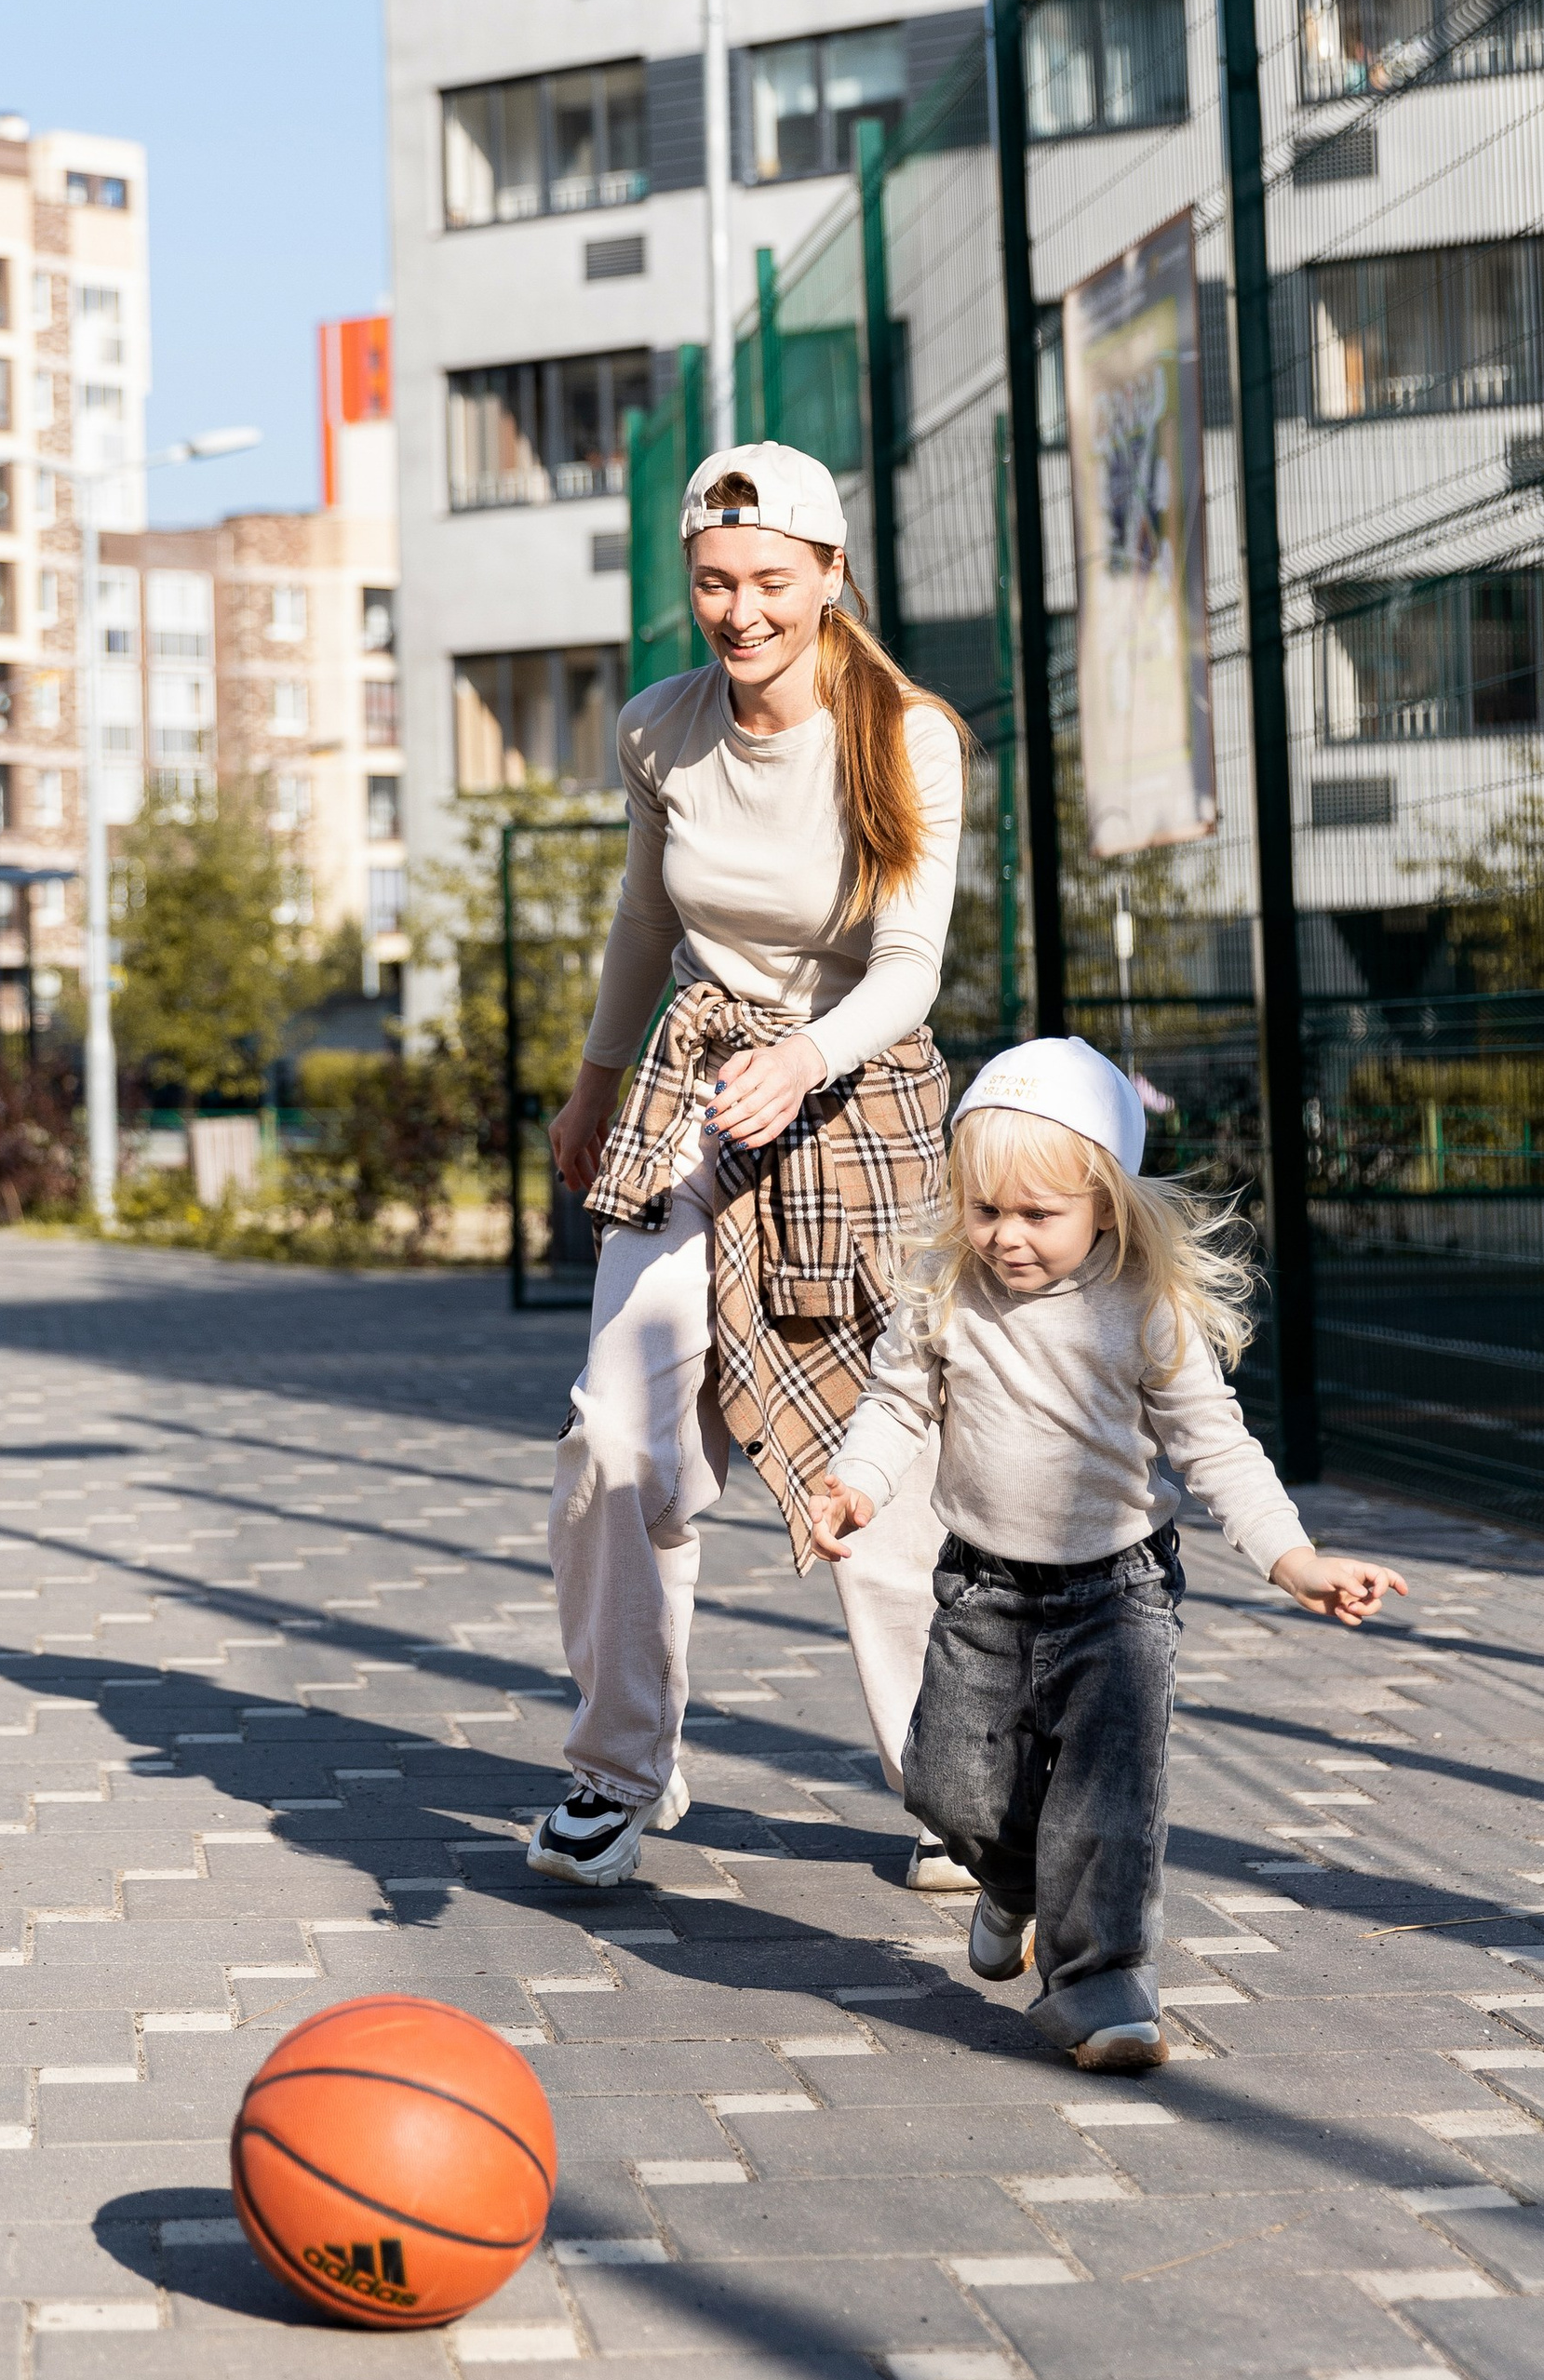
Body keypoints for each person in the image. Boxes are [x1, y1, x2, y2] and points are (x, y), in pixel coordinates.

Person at [530, 441, 970, 1893]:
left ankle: (949, 1789)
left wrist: (811, 1056)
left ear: (831, 577)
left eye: (771, 580)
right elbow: (644, 926)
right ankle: (618, 1767)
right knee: (616, 1436)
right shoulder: (660, 730)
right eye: (714, 583)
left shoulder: (903, 735)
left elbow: (910, 964)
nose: (741, 610)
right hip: (698, 1094)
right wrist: (593, 1086)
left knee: (882, 1464)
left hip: (856, 1101)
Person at [808, 1036, 1408, 2075]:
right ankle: (1009, 1881)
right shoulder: (945, 1292)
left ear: (1105, 1202)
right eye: (985, 1209)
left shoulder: (1142, 1307)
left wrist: (1293, 1558)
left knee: (1108, 1799)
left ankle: (1102, 1988)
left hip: (1117, 1592)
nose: (1005, 1237)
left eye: (1038, 1215)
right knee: (945, 1787)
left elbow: (1216, 1447)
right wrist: (854, 1479)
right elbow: (895, 1402)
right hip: (983, 1587)